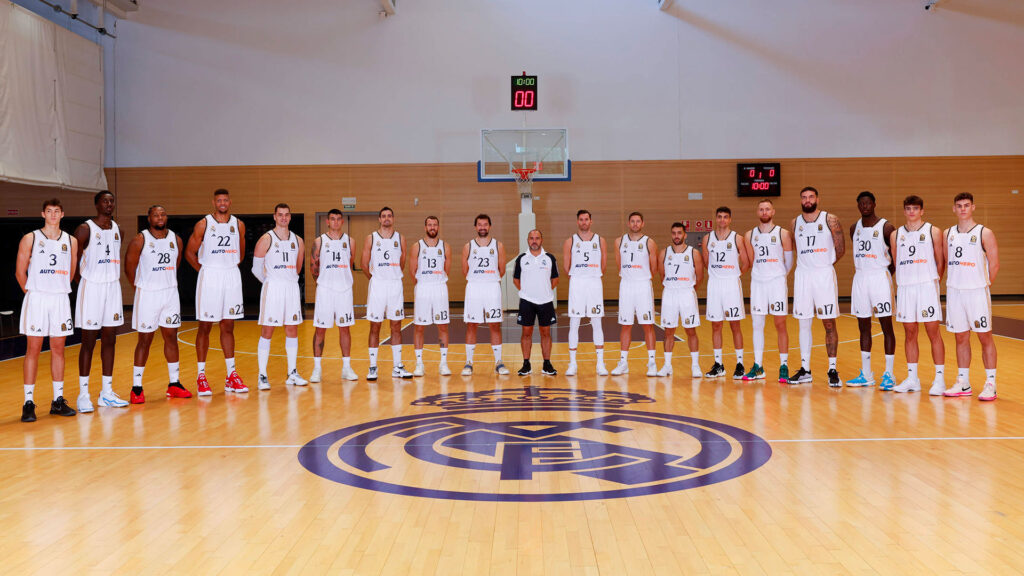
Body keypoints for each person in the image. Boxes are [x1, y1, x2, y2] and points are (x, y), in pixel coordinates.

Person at [15, 198, 78, 421]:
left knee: (58, 349)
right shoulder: (30, 238)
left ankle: (58, 401)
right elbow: (19, 272)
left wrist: (56, 288)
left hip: (59, 298)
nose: (53, 215)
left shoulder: (71, 240)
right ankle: (28, 402)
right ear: (43, 214)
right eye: (49, 211)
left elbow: (71, 272)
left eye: (56, 211)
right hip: (37, 298)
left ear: (62, 214)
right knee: (33, 349)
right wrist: (33, 294)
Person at [123, 205, 191, 403]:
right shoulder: (140, 240)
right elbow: (129, 269)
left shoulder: (176, 239)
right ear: (149, 218)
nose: (160, 217)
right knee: (145, 340)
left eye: (163, 214)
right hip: (148, 295)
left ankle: (174, 383)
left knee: (171, 338)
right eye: (155, 215)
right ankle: (136, 387)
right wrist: (141, 289)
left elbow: (175, 264)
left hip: (170, 293)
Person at [185, 188, 248, 395]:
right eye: (219, 200)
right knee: (205, 326)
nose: (222, 203)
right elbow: (189, 252)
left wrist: (227, 265)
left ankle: (231, 375)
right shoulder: (204, 223)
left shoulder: (238, 224)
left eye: (225, 200)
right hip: (210, 275)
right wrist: (205, 271)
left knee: (228, 325)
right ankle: (201, 376)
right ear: (214, 202)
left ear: (230, 202)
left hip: (230, 275)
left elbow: (241, 253)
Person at [74, 190, 128, 410]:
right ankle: (83, 395)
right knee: (88, 341)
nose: (109, 204)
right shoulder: (85, 229)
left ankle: (106, 392)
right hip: (92, 287)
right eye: (104, 201)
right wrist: (83, 283)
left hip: (112, 287)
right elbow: (73, 261)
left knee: (110, 340)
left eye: (111, 201)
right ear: (96, 204)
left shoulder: (118, 230)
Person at [943, 192, 999, 401]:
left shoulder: (985, 233)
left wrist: (983, 284)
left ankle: (991, 383)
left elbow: (994, 264)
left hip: (976, 292)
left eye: (966, 205)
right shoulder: (948, 233)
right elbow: (947, 261)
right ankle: (963, 382)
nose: (963, 209)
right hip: (955, 292)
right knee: (960, 337)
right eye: (959, 206)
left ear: (973, 207)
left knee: (984, 336)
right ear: (954, 209)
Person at [789, 186, 845, 387]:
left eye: (811, 197)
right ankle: (805, 369)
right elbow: (797, 249)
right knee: (803, 323)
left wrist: (823, 264)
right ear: (800, 200)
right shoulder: (795, 223)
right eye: (804, 197)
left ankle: (832, 369)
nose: (807, 200)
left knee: (828, 322)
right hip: (803, 276)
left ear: (817, 199)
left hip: (823, 275)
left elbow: (840, 249)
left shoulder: (830, 219)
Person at [891, 195, 946, 395]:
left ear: (922, 211)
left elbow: (940, 261)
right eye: (908, 208)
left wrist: (933, 283)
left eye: (915, 208)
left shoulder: (933, 231)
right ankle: (912, 379)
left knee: (933, 331)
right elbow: (896, 261)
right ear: (904, 211)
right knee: (910, 332)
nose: (912, 212)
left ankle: (939, 380)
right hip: (906, 287)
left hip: (926, 286)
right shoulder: (896, 235)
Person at [252, 203, 307, 390]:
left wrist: (286, 279)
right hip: (273, 288)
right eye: (280, 214)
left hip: (291, 288)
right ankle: (262, 375)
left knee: (292, 329)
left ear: (290, 217)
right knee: (267, 331)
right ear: (274, 217)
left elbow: (297, 268)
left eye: (286, 215)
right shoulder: (266, 239)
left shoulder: (298, 240)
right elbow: (256, 269)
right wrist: (270, 281)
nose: (284, 218)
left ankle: (292, 373)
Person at [846, 191, 897, 389]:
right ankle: (866, 374)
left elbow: (896, 257)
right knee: (863, 327)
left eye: (868, 203)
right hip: (860, 278)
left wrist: (885, 275)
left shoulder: (886, 227)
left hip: (879, 277)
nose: (865, 206)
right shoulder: (854, 228)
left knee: (886, 326)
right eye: (861, 203)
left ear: (874, 204)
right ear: (858, 206)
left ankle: (889, 374)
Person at [744, 199, 793, 383]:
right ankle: (758, 366)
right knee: (757, 324)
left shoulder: (783, 234)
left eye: (767, 209)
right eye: (761, 209)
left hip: (777, 283)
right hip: (758, 284)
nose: (764, 212)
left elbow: (789, 262)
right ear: (757, 212)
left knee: (780, 324)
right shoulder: (749, 235)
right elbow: (751, 261)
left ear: (773, 211)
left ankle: (784, 365)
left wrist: (778, 276)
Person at [361, 207, 413, 380]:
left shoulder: (400, 238)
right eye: (383, 216)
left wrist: (392, 275)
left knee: (396, 325)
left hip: (395, 285)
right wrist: (376, 278)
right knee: (375, 326)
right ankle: (372, 367)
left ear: (393, 218)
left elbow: (402, 262)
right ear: (379, 219)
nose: (386, 218)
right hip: (378, 285)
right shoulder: (371, 238)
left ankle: (397, 366)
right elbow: (364, 264)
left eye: (389, 216)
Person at [309, 208, 359, 383]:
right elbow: (314, 267)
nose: (335, 222)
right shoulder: (319, 241)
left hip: (344, 290)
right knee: (320, 329)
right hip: (325, 290)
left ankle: (346, 368)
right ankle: (317, 368)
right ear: (327, 222)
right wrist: (323, 282)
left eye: (338, 219)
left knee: (345, 328)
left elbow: (349, 263)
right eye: (332, 219)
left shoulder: (350, 241)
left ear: (342, 221)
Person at [702, 207, 749, 379]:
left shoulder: (737, 238)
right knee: (716, 325)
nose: (722, 220)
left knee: (735, 324)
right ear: (716, 218)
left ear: (730, 219)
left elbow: (746, 263)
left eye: (725, 217)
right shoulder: (707, 238)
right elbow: (706, 262)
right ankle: (718, 364)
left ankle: (740, 364)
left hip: (731, 285)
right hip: (714, 284)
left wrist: (733, 275)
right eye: (720, 217)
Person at [611, 212, 658, 376]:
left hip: (643, 285)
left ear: (642, 223)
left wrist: (641, 276)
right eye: (633, 221)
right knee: (626, 324)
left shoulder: (649, 242)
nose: (635, 224)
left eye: (638, 221)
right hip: (626, 285)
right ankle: (623, 362)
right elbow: (619, 264)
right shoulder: (619, 241)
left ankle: (652, 362)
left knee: (648, 324)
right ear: (628, 223)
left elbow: (654, 268)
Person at [461, 214, 509, 375]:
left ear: (490, 226)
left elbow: (502, 270)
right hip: (474, 288)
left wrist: (488, 278)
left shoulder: (498, 246)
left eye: (485, 224)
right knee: (471, 324)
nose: (482, 227)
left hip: (492, 287)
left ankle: (499, 362)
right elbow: (465, 271)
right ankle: (468, 363)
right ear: (475, 227)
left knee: (494, 325)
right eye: (480, 224)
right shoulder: (468, 246)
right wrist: (478, 278)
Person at [562, 209, 609, 376]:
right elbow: (566, 267)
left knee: (597, 322)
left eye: (586, 219)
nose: (584, 222)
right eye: (581, 219)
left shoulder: (600, 240)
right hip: (577, 283)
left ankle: (600, 363)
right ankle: (572, 363)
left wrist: (591, 274)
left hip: (594, 282)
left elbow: (604, 265)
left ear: (591, 221)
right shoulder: (570, 241)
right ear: (577, 222)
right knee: (574, 323)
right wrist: (579, 276)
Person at [657, 222, 703, 378]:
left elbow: (700, 277)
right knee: (668, 331)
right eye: (674, 233)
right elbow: (662, 275)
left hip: (687, 293)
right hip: (669, 293)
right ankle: (667, 366)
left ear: (685, 235)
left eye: (679, 233)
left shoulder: (693, 253)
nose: (676, 236)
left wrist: (688, 289)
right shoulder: (664, 253)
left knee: (691, 330)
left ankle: (695, 366)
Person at [409, 215, 452, 377]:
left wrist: (435, 279)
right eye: (429, 225)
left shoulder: (445, 247)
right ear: (425, 227)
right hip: (423, 288)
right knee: (419, 327)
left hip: (439, 287)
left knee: (443, 326)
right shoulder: (417, 246)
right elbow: (412, 271)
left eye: (435, 225)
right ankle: (419, 364)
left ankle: (443, 363)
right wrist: (422, 283)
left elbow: (446, 270)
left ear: (438, 227)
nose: (432, 227)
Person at [514, 229, 559, 376]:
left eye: (537, 238)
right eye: (531, 238)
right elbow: (516, 279)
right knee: (526, 333)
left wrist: (544, 291)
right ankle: (526, 364)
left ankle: (547, 364)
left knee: (545, 333)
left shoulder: (550, 258)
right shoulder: (521, 258)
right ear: (528, 240)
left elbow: (555, 279)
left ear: (541, 240)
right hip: (527, 302)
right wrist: (527, 292)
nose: (534, 241)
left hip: (546, 301)